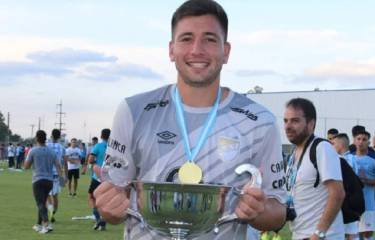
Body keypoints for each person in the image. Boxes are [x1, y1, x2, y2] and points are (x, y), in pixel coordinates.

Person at [94, 1, 287, 239]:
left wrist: (258, 210)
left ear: (225, 51)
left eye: (209, 39)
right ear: (171, 49)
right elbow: (115, 206)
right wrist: (108, 206)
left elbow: (278, 211)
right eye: (186, 38)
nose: (197, 49)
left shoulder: (259, 121)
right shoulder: (134, 111)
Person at [284, 98, 345, 240]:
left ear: (311, 123)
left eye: (295, 120)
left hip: (322, 236)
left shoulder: (322, 148)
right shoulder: (294, 153)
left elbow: (337, 193)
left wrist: (319, 233)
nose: (288, 126)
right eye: (286, 121)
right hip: (300, 233)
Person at [24, 130, 63, 234]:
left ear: (37, 138)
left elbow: (26, 166)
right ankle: (38, 224)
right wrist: (62, 178)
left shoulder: (33, 150)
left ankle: (46, 224)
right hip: (49, 181)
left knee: (40, 203)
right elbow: (58, 165)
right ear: (45, 138)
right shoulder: (51, 151)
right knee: (42, 201)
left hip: (38, 180)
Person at [353, 130, 375, 240]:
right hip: (352, 205)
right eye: (358, 139)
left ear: (368, 143)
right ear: (354, 141)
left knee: (367, 235)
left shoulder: (374, 160)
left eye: (364, 139)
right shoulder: (348, 158)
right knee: (353, 234)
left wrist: (365, 181)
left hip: (368, 204)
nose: (361, 142)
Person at [332, 133, 359, 240]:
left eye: (333, 143)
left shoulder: (341, 160)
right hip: (352, 202)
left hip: (344, 202)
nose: (332, 146)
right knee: (351, 232)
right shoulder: (353, 158)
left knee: (344, 233)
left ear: (340, 145)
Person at [82, 129, 110, 231]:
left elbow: (91, 159)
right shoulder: (114, 147)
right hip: (109, 178)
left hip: (97, 177)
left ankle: (98, 219)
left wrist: (94, 164)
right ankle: (103, 222)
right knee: (106, 200)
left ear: (101, 136)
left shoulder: (98, 146)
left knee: (91, 197)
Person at [46, 129, 66, 223]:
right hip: (58, 173)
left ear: (51, 135)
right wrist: (65, 175)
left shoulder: (46, 146)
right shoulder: (62, 147)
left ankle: (49, 212)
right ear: (59, 137)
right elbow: (65, 162)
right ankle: (53, 213)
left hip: (46, 173)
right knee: (55, 195)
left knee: (47, 195)